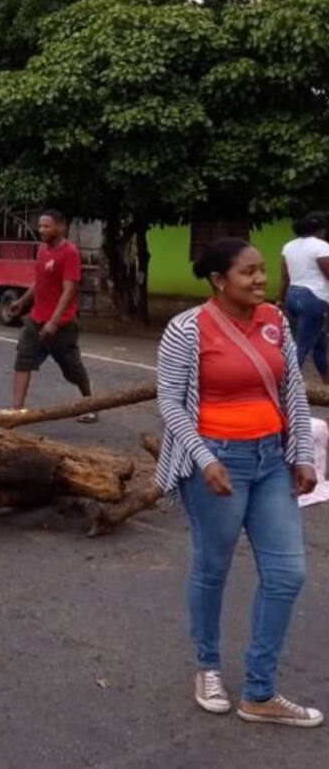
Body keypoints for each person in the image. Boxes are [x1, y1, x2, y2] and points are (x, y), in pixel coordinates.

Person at [156, 238, 319, 727]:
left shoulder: (275, 322)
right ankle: (207, 666)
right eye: (248, 272)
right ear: (219, 281)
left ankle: (259, 692)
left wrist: (303, 454)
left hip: (271, 461)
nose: (261, 279)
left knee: (288, 574)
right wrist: (203, 459)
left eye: (262, 270)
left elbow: (292, 388)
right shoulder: (186, 328)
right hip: (216, 461)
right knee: (212, 569)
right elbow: (169, 401)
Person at [7, 209, 95, 421]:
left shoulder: (69, 252)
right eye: (40, 226)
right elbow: (40, 282)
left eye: (47, 226)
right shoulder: (42, 250)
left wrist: (54, 322)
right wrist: (22, 301)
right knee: (23, 360)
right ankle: (16, 411)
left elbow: (69, 289)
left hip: (61, 325)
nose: (42, 230)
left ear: (61, 227)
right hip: (36, 320)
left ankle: (90, 405)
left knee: (72, 369)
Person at [277, 214, 329, 384]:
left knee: (319, 344)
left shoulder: (289, 246)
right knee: (303, 345)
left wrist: (281, 299)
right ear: (321, 230)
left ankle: (326, 381)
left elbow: (285, 276)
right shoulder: (322, 246)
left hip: (293, 295)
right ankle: (284, 385)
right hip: (313, 299)